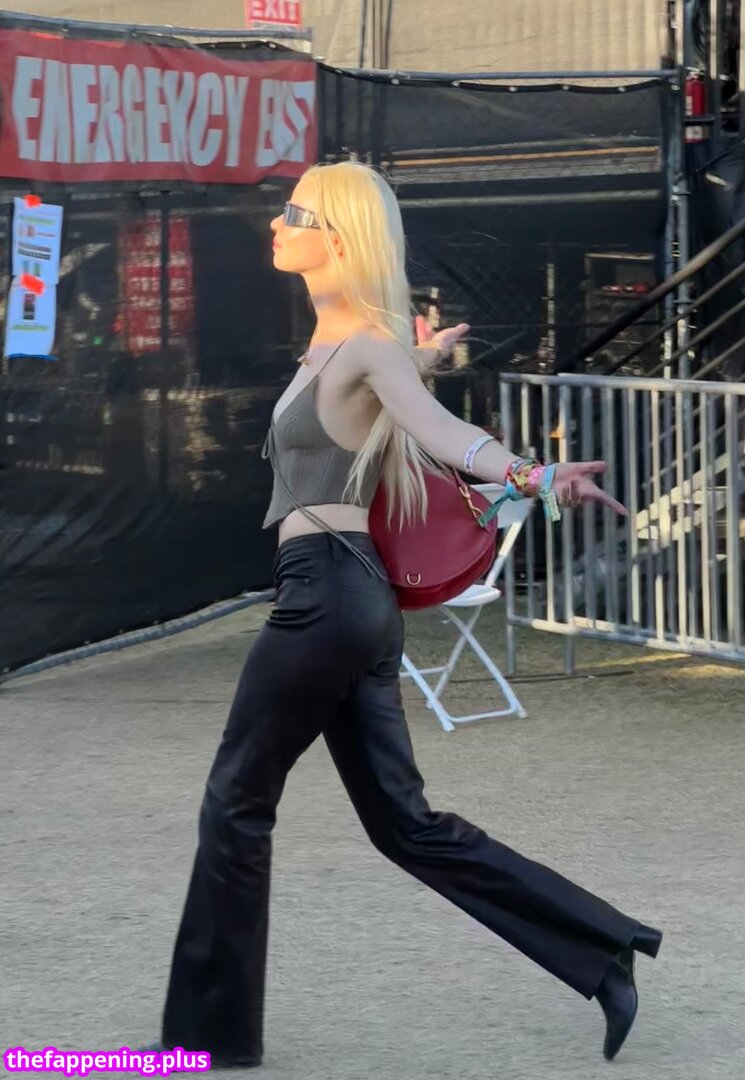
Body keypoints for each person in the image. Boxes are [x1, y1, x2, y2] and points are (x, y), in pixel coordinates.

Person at [144, 161, 662, 1068]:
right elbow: (383, 397)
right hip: (349, 601)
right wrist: (415, 359)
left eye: (296, 213)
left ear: (338, 237)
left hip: (326, 597)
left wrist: (534, 475)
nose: (277, 224)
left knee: (235, 803)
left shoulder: (367, 348)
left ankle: (206, 1038)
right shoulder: (347, 348)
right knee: (404, 824)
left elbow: (441, 432)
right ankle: (602, 954)